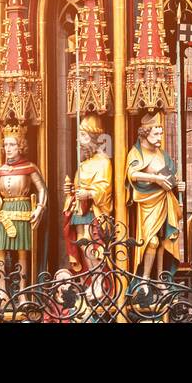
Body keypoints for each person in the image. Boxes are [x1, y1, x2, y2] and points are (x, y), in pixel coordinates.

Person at [0, 126, 47, 289]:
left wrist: (40, 208)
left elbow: (42, 189)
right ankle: (2, 289)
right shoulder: (0, 171)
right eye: (6, 145)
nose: (8, 149)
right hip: (5, 214)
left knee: (22, 252)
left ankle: (23, 290)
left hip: (23, 209)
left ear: (21, 146)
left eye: (12, 145)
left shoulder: (29, 167)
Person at [126, 112, 183, 279]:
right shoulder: (137, 152)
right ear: (145, 132)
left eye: (161, 133)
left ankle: (160, 279)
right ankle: (144, 279)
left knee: (163, 241)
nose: (160, 137)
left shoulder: (162, 153)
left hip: (164, 201)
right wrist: (155, 179)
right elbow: (132, 174)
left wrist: (177, 184)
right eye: (156, 133)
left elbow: (171, 174)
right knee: (151, 241)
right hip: (147, 203)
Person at [63, 114, 113, 273]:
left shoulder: (104, 161)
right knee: (82, 243)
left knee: (93, 244)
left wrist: (89, 194)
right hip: (80, 210)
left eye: (83, 136)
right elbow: (79, 188)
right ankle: (90, 279)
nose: (78, 140)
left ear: (93, 137)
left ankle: (99, 280)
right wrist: (71, 192)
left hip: (94, 211)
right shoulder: (84, 163)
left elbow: (105, 188)